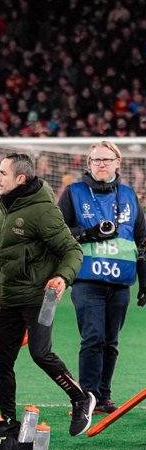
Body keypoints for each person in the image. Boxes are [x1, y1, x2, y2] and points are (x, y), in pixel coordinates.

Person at [0, 150, 93, 435]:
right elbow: (1, 255)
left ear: (20, 178)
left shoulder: (43, 210)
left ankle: (81, 397)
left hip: (39, 297)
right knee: (1, 359)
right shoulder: (1, 208)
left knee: (40, 353)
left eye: (3, 173)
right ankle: (8, 419)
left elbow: (72, 250)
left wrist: (62, 277)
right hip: (7, 297)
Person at [57, 140, 146, 414]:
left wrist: (145, 281)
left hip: (120, 283)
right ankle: (87, 397)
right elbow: (57, 233)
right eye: (96, 160)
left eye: (107, 159)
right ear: (89, 164)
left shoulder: (130, 196)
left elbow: (142, 240)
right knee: (93, 338)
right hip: (87, 281)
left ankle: (103, 397)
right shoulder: (73, 193)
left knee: (111, 342)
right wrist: (87, 233)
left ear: (118, 163)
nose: (102, 164)